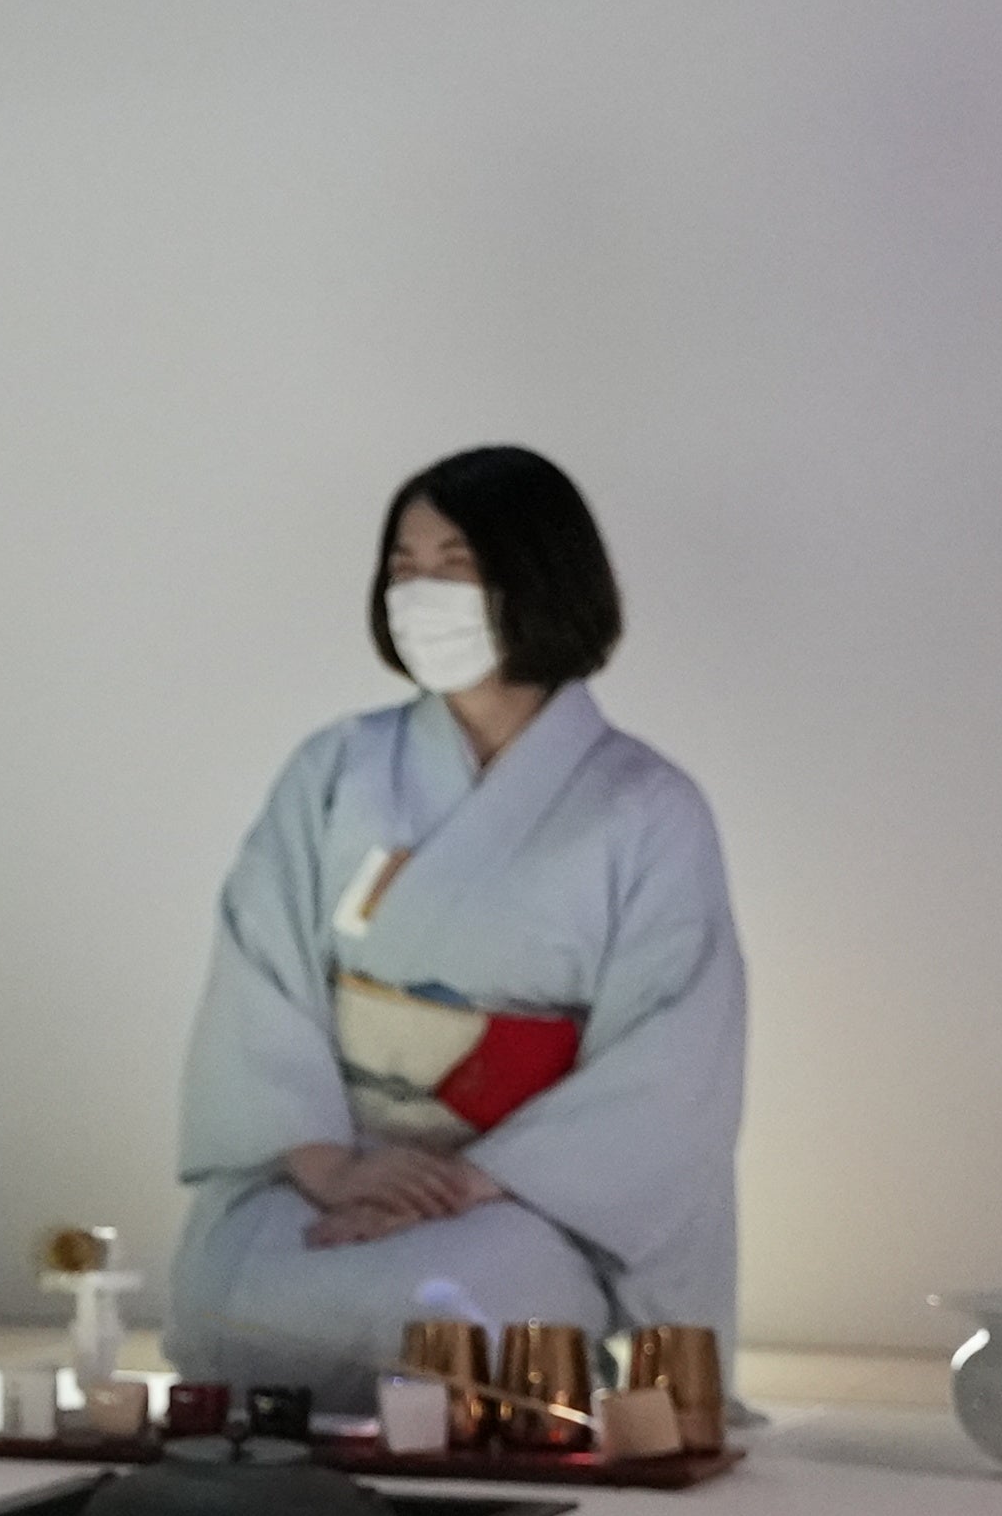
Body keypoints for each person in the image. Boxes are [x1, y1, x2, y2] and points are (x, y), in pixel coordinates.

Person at [167, 447, 745, 1409]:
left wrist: (470, 1181)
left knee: (470, 1309)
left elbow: (674, 1056)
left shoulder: (646, 807)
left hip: (520, 1192)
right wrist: (332, 1167)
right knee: (223, 1296)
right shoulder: (335, 769)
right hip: (341, 1168)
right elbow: (259, 973)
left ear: (540, 578)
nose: (420, 591)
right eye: (403, 566)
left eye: (455, 565)